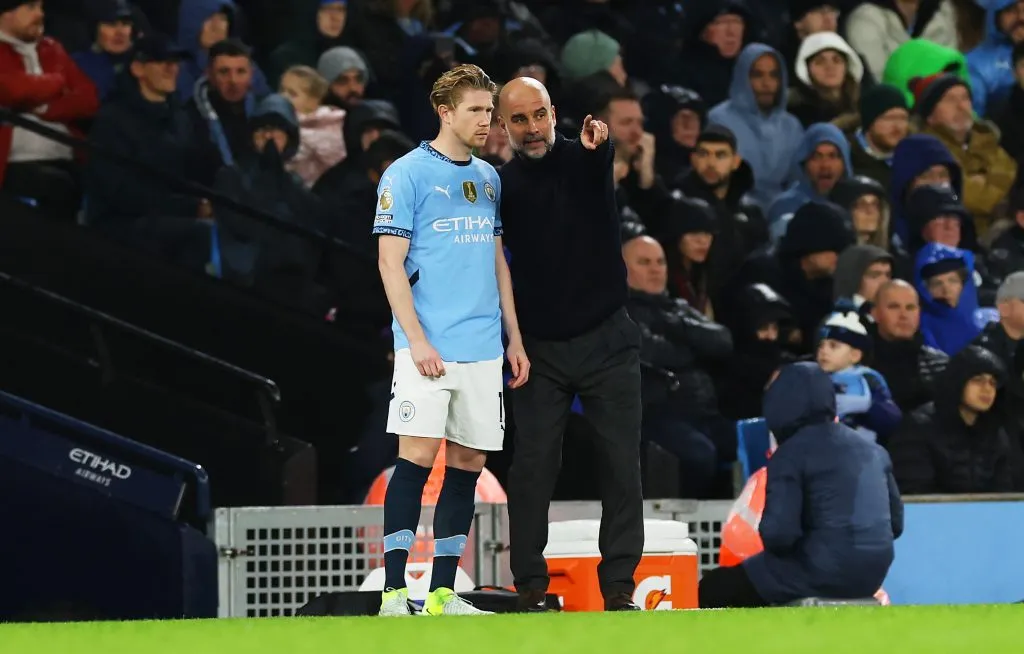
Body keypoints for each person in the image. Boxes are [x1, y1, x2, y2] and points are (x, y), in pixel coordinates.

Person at [373, 64, 529, 617]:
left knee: (467, 465)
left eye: (489, 110)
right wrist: (415, 341)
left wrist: (514, 337)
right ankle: (395, 593)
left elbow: (496, 261)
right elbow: (390, 263)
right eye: (476, 110)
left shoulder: (489, 178)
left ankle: (442, 594)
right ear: (445, 112)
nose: (487, 120)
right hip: (428, 346)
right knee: (414, 462)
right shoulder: (405, 174)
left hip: (483, 347)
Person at [497, 76, 644, 612]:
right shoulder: (501, 186)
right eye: (519, 119)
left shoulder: (585, 157)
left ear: (553, 112)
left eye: (539, 115)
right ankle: (531, 587)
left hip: (608, 339)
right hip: (539, 350)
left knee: (621, 463)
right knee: (532, 466)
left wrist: (598, 144)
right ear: (502, 125)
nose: (533, 129)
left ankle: (621, 590)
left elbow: (596, 159)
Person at [698, 362, 903, 608]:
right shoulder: (873, 450)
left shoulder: (790, 454)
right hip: (872, 575)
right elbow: (896, 525)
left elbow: (779, 534)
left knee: (715, 587)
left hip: (816, 572)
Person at [817, 312, 902, 445]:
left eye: (833, 346)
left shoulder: (868, 379)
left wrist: (868, 406)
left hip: (862, 451)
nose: (824, 351)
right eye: (821, 346)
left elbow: (892, 419)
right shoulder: (812, 377)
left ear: (855, 355)